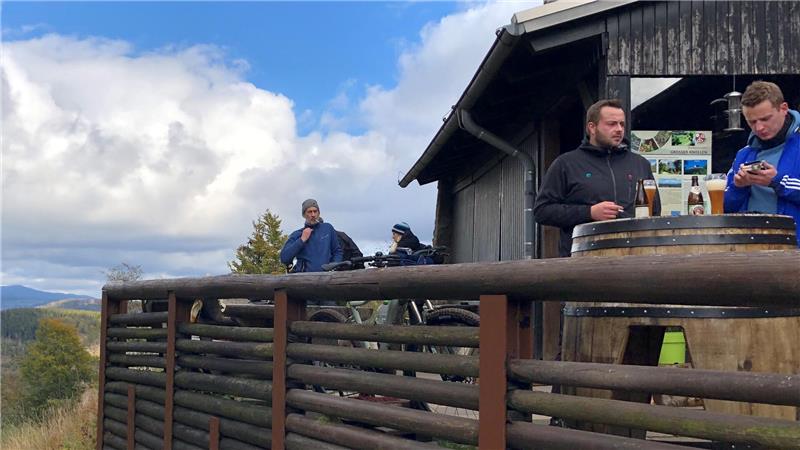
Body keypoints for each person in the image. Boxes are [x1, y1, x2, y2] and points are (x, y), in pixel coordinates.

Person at [534, 99, 661, 257]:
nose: (619, 129)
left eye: (622, 124)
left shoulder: (640, 164)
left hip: (634, 258)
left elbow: (655, 212)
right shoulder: (566, 164)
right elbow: (542, 211)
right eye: (611, 124)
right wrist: (589, 212)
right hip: (584, 261)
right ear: (592, 128)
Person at [724, 81, 800, 246]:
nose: (759, 128)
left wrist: (777, 181)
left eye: (765, 119)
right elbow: (725, 208)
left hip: (794, 251)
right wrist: (738, 187)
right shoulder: (743, 154)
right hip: (750, 252)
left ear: (784, 108)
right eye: (752, 122)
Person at [280, 199, 343, 273]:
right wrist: (302, 240)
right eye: (309, 212)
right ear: (304, 215)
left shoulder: (327, 228)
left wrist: (333, 266)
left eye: (315, 211)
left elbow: (337, 251)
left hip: (326, 278)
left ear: (319, 213)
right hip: (303, 279)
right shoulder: (297, 234)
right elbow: (284, 258)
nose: (313, 215)